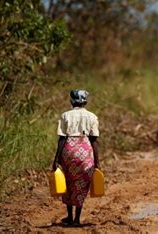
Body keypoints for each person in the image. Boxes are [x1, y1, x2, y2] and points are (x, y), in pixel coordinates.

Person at [52, 90, 100, 226]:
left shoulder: (65, 115)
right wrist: (97, 162)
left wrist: (56, 159)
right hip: (85, 151)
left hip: (69, 150)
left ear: (71, 101)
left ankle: (69, 216)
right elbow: (94, 140)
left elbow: (61, 139)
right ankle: (77, 219)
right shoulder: (92, 117)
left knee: (68, 181)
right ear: (85, 102)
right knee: (81, 184)